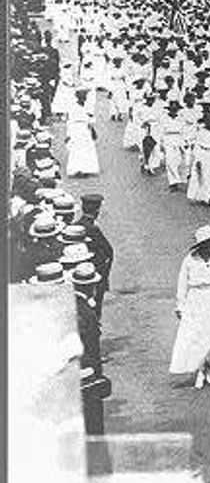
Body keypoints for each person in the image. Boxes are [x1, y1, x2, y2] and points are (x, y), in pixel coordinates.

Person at [169, 225, 210, 390]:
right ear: (201, 244)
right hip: (195, 299)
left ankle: (207, 364)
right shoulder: (189, 260)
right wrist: (180, 306)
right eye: (209, 241)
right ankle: (201, 371)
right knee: (197, 337)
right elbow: (182, 285)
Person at [76, 193, 113, 321]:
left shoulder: (75, 226)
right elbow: (108, 252)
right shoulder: (93, 229)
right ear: (97, 211)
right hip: (93, 276)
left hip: (78, 277)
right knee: (95, 311)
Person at [64, 89, 100, 177]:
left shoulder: (88, 107)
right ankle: (76, 170)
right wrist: (68, 134)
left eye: (84, 97)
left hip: (85, 130)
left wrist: (92, 130)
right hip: (75, 130)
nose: (83, 99)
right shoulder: (72, 107)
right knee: (76, 149)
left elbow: (91, 119)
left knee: (86, 149)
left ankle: (86, 169)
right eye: (81, 97)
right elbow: (69, 121)